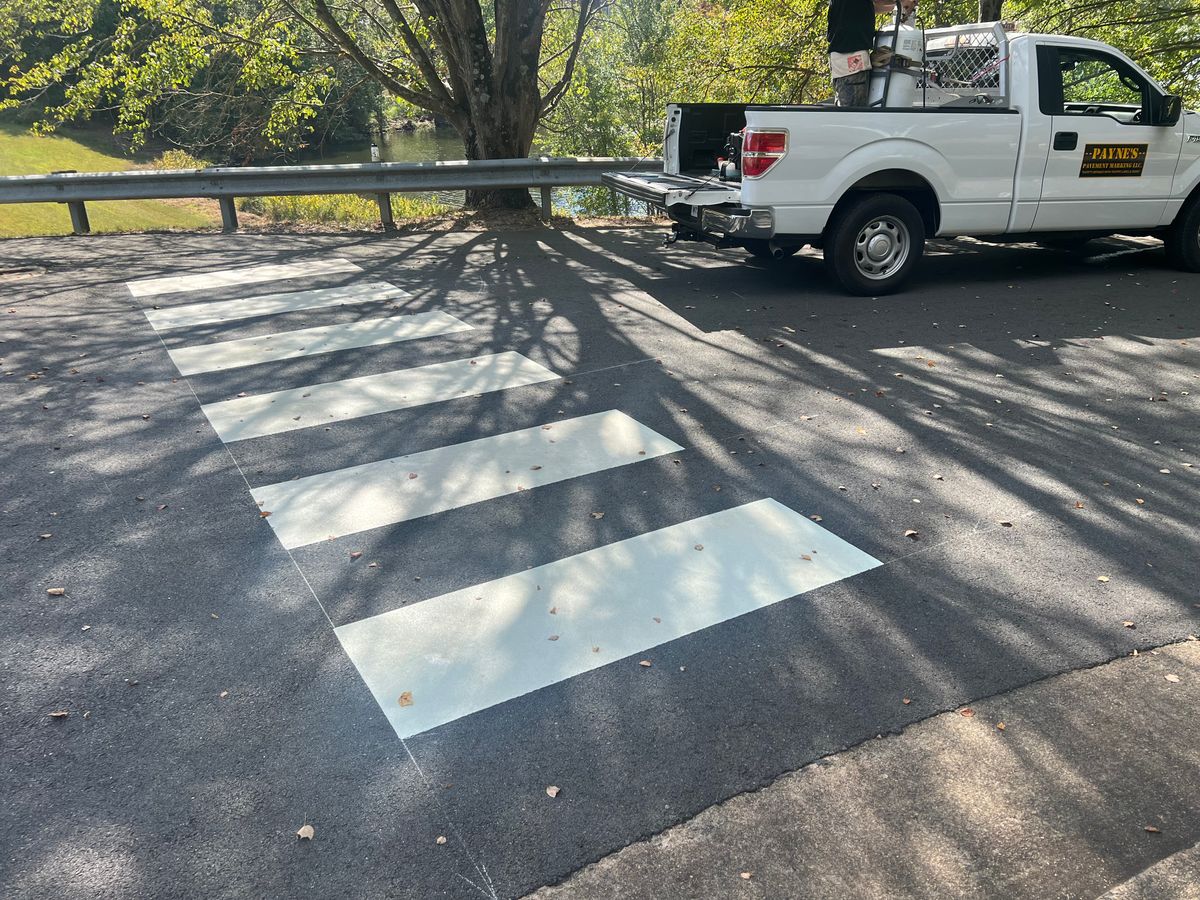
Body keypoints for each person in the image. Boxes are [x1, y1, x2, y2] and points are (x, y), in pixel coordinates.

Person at [828, 0, 917, 107]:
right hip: (851, 56)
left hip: (847, 55)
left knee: (850, 107)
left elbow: (870, 6)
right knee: (854, 110)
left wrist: (897, 5)